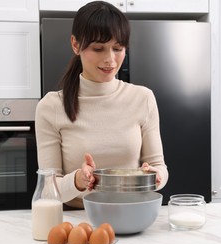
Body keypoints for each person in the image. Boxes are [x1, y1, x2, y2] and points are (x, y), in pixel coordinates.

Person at [35, 1, 168, 209]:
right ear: (75, 44)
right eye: (98, 48)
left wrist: (156, 176)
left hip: (132, 212)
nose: (110, 60)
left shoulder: (143, 98)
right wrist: (78, 180)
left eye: (118, 48)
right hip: (79, 221)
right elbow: (47, 190)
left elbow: (159, 167)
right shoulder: (51, 107)